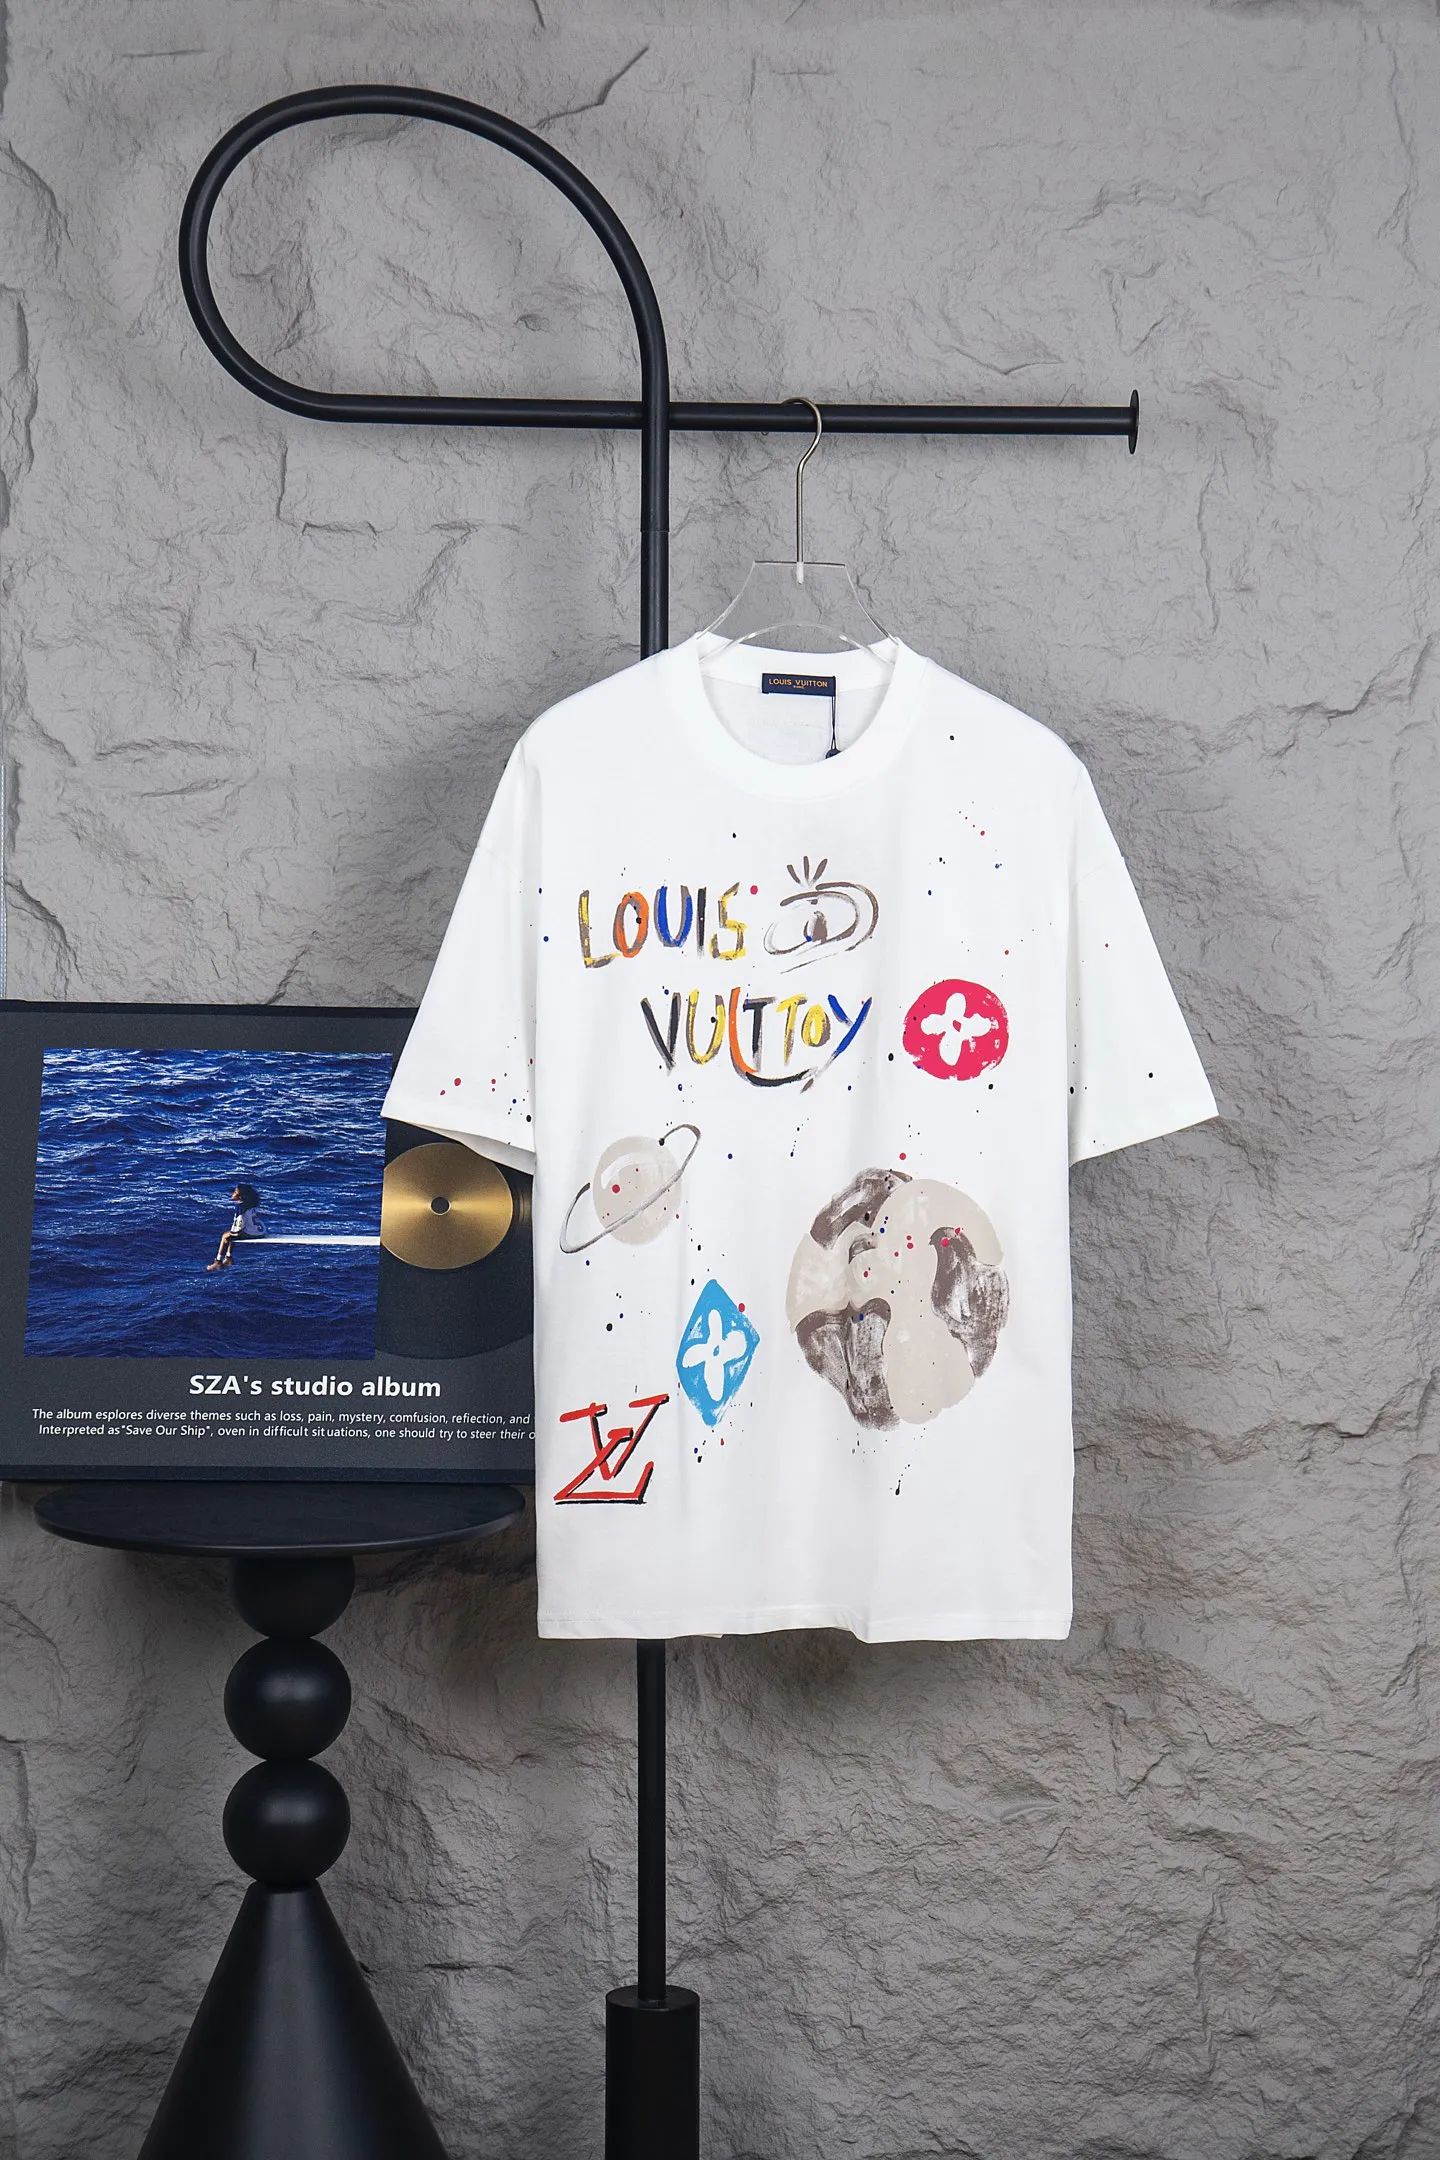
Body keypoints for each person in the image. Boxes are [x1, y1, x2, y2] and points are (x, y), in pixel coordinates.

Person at [207, 1183, 263, 1271]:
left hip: (252, 1233)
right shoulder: (249, 1204)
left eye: (235, 1192)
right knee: (231, 1234)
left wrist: (234, 1234)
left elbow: (240, 1223)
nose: (233, 1193)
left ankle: (218, 1262)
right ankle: (228, 1258)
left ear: (240, 1197)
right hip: (260, 1231)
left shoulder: (240, 1207)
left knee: (225, 1236)